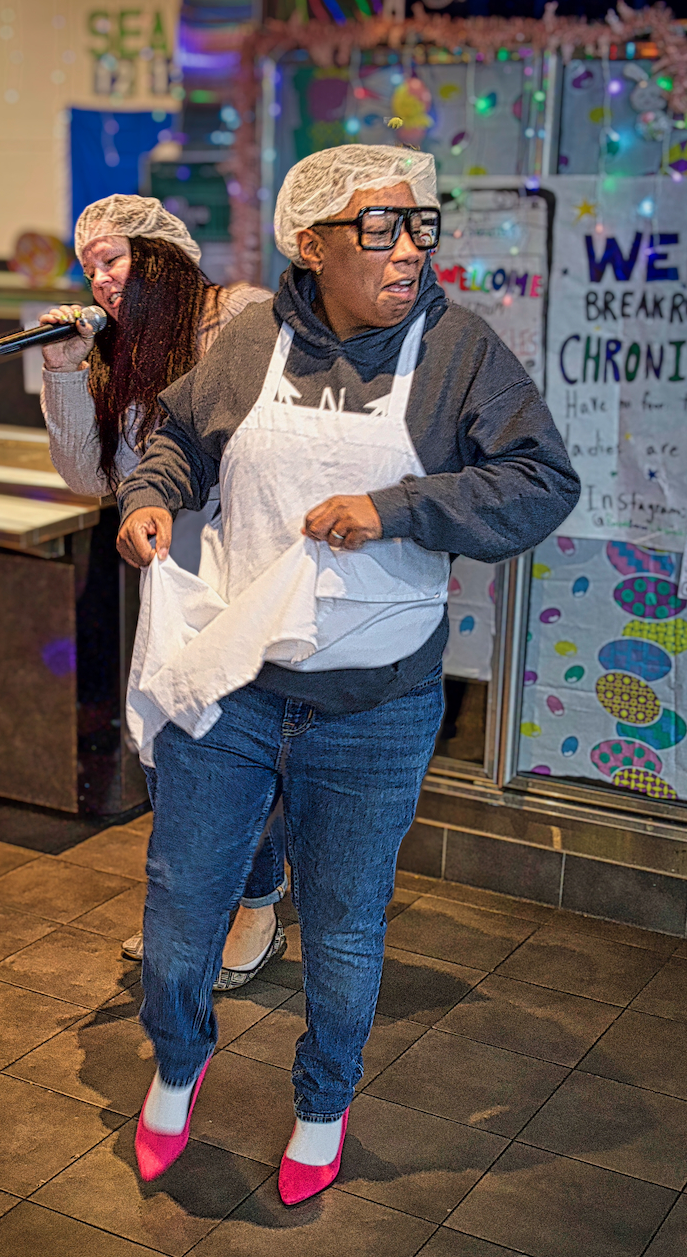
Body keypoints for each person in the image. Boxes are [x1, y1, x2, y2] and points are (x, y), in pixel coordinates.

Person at [114, 145, 580, 1203]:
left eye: (420, 226)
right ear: (310, 244)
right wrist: (150, 496)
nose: (409, 248)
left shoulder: (457, 351)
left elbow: (539, 481)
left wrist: (398, 507)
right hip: (234, 686)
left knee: (343, 928)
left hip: (375, 707)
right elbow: (178, 438)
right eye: (380, 229)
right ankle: (177, 1066)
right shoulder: (251, 342)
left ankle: (323, 1104)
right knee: (181, 913)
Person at [37, 195, 285, 987]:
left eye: (111, 259)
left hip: (251, 577)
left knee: (234, 748)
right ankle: (195, 906)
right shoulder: (117, 349)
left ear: (159, 254)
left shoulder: (239, 314)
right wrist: (64, 368)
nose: (100, 281)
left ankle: (257, 905)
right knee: (174, 752)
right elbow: (88, 477)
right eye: (89, 269)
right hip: (171, 582)